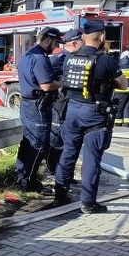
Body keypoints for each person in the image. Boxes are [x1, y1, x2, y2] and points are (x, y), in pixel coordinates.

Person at [53, 18, 128, 213]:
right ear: (102, 36)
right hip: (94, 113)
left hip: (71, 111)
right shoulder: (106, 60)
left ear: (83, 37)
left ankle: (60, 195)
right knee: (92, 159)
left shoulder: (70, 58)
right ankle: (88, 203)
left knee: (69, 151)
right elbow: (123, 85)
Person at [13, 27, 63, 194]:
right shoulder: (40, 58)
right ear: (48, 40)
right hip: (38, 106)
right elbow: (46, 85)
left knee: (28, 142)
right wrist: (62, 84)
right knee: (38, 145)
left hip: (28, 105)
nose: (56, 47)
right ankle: (29, 182)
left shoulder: (28, 55)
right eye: (55, 43)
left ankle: (20, 177)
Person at [47, 28, 85, 177]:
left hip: (73, 105)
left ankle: (64, 173)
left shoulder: (79, 57)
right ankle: (53, 171)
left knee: (71, 142)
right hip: (60, 106)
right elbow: (44, 80)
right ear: (75, 42)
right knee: (56, 140)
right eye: (83, 40)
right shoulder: (59, 59)